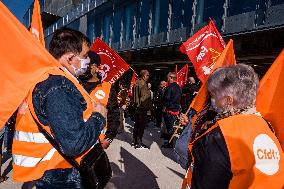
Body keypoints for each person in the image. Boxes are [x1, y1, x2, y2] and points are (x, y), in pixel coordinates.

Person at [12, 28, 107, 188]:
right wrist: (99, 117)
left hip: (58, 171)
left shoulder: (54, 79)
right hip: (62, 174)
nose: (88, 61)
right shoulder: (58, 85)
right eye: (84, 56)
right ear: (70, 58)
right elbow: (74, 144)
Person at [181, 64, 284, 189]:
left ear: (228, 100)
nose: (211, 100)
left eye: (213, 94)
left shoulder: (219, 136)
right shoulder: (265, 125)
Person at [80, 50, 120, 149]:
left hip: (97, 142)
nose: (83, 67)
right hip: (76, 140)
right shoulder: (74, 84)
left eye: (86, 64)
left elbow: (114, 115)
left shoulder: (107, 88)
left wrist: (109, 138)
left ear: (95, 67)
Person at [132, 70, 152, 149]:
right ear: (144, 76)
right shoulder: (143, 84)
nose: (148, 77)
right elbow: (144, 99)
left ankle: (134, 141)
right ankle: (139, 143)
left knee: (136, 125)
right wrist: (149, 91)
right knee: (141, 127)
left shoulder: (136, 83)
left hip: (137, 108)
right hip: (142, 109)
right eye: (148, 75)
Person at [162, 72, 181, 148]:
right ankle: (171, 141)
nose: (167, 79)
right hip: (176, 109)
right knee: (172, 127)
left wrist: (164, 107)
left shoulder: (170, 87)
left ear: (171, 77)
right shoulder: (178, 87)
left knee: (170, 127)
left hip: (169, 110)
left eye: (167, 77)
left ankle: (170, 143)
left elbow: (167, 98)